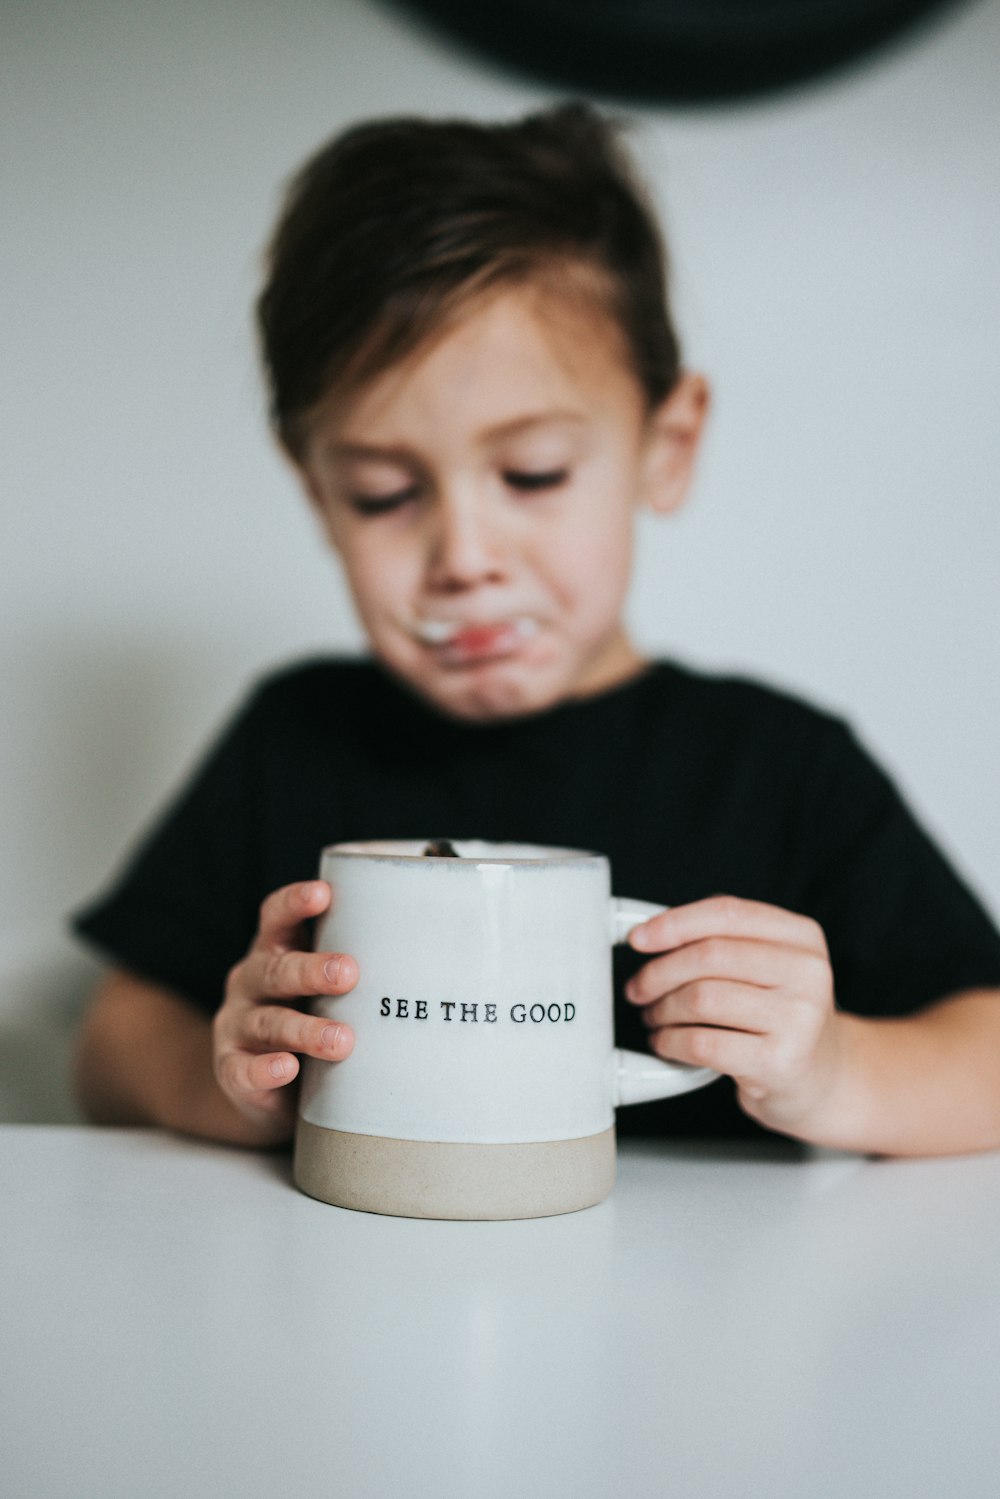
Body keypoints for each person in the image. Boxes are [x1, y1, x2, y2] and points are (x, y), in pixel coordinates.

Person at [72, 102, 1000, 1157]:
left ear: (668, 443)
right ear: (315, 492)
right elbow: (112, 1038)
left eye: (533, 474)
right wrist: (228, 1080)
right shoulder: (296, 733)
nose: (464, 554)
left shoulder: (779, 767)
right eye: (382, 492)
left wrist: (833, 1070)